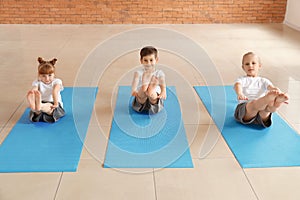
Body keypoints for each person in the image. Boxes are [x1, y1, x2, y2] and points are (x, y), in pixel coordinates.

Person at [234, 52, 289, 128]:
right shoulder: (242, 79)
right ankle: (269, 100)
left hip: (261, 115)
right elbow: (237, 85)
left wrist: (277, 93)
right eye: (247, 64)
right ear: (243, 67)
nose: (250, 65)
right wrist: (239, 93)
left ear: (259, 66)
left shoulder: (264, 81)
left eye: (253, 63)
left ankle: (277, 102)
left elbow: (272, 88)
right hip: (246, 109)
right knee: (254, 104)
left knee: (267, 109)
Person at [26, 57, 65, 123]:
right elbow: (35, 90)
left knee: (45, 109)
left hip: (50, 103)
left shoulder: (56, 82)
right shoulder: (38, 82)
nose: (47, 78)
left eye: (50, 75)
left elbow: (54, 91)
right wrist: (32, 94)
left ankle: (38, 107)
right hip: (46, 102)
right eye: (43, 76)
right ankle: (37, 107)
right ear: (39, 75)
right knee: (43, 112)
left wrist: (55, 104)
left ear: (54, 74)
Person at [131, 46, 167, 114]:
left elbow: (162, 83)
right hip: (142, 95)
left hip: (153, 93)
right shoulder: (138, 73)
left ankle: (151, 88)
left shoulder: (159, 73)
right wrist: (134, 90)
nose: (148, 63)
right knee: (142, 94)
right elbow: (135, 81)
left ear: (156, 60)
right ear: (141, 60)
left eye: (151, 60)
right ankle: (145, 86)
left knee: (152, 96)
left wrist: (163, 91)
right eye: (145, 60)